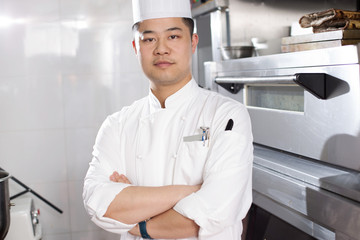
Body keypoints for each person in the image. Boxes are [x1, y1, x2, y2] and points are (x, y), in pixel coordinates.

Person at [82, 0, 253, 239]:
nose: (161, 49)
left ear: (193, 42)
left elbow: (215, 211)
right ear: (135, 47)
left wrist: (139, 222)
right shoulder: (117, 125)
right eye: (149, 38)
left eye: (173, 37)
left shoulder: (227, 115)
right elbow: (97, 203)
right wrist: (192, 192)